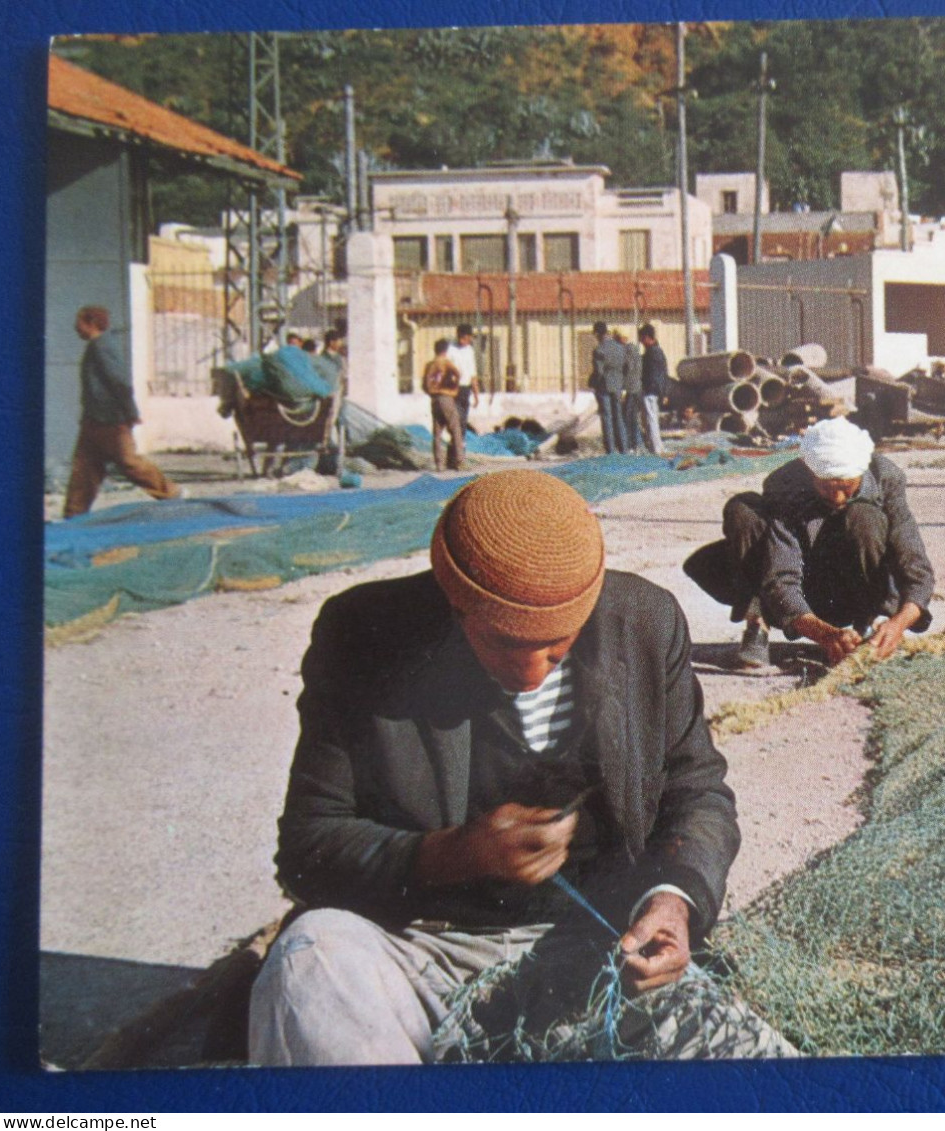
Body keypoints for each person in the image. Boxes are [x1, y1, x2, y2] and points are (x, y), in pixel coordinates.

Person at [249, 470, 792, 1064]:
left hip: (601, 954)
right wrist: (455, 852)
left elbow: (697, 791)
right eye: (506, 642)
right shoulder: (366, 634)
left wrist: (671, 902)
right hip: (422, 947)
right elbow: (309, 847)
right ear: (455, 605)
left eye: (556, 647)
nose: (533, 672)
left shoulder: (642, 622)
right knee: (309, 962)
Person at [683, 417, 934, 669]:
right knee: (743, 510)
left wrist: (897, 624)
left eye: (846, 487)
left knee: (865, 517)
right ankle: (757, 622)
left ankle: (870, 626)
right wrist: (822, 633)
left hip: (855, 586)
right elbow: (780, 574)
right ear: (809, 471)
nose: (837, 498)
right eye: (825, 487)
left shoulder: (886, 478)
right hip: (804, 587)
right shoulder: (785, 485)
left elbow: (914, 564)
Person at [62, 306, 181, 519]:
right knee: (85, 469)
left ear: (91, 323)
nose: (75, 327)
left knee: (129, 463)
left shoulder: (102, 347)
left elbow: (120, 382)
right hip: (94, 420)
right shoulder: (96, 346)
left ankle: (171, 492)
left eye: (78, 322)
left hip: (110, 421)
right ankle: (73, 515)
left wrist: (130, 413)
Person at [421, 338, 465, 471]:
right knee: (455, 429)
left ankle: (439, 463)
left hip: (434, 399)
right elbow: (458, 375)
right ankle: (459, 461)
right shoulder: (447, 363)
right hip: (446, 397)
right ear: (446, 350)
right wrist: (454, 389)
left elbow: (424, 384)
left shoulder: (430, 365)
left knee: (437, 431)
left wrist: (431, 392)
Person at [587, 321, 627, 455]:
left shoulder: (599, 350)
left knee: (607, 417)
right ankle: (623, 448)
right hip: (618, 385)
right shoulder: (620, 347)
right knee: (619, 416)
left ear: (597, 333)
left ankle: (610, 450)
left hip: (604, 386)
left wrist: (592, 383)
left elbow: (598, 372)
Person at [638, 324, 669, 457]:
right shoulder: (658, 351)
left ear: (647, 337)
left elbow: (653, 375)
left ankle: (656, 448)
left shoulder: (652, 353)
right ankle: (658, 446)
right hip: (656, 390)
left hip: (651, 390)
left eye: (641, 338)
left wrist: (649, 388)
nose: (641, 342)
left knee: (651, 419)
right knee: (653, 418)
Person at [447, 324, 480, 435]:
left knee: (463, 420)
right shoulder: (450, 349)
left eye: (466, 338)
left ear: (470, 337)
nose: (463, 341)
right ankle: (455, 445)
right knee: (454, 419)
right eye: (461, 337)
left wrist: (476, 394)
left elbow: (472, 374)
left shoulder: (470, 350)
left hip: (465, 389)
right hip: (453, 388)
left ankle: (461, 445)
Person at [615, 328, 643, 454]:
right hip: (636, 387)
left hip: (631, 388)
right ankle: (636, 445)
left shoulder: (628, 351)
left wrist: (624, 389)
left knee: (629, 417)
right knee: (632, 417)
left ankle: (634, 445)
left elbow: (628, 369)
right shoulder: (634, 349)